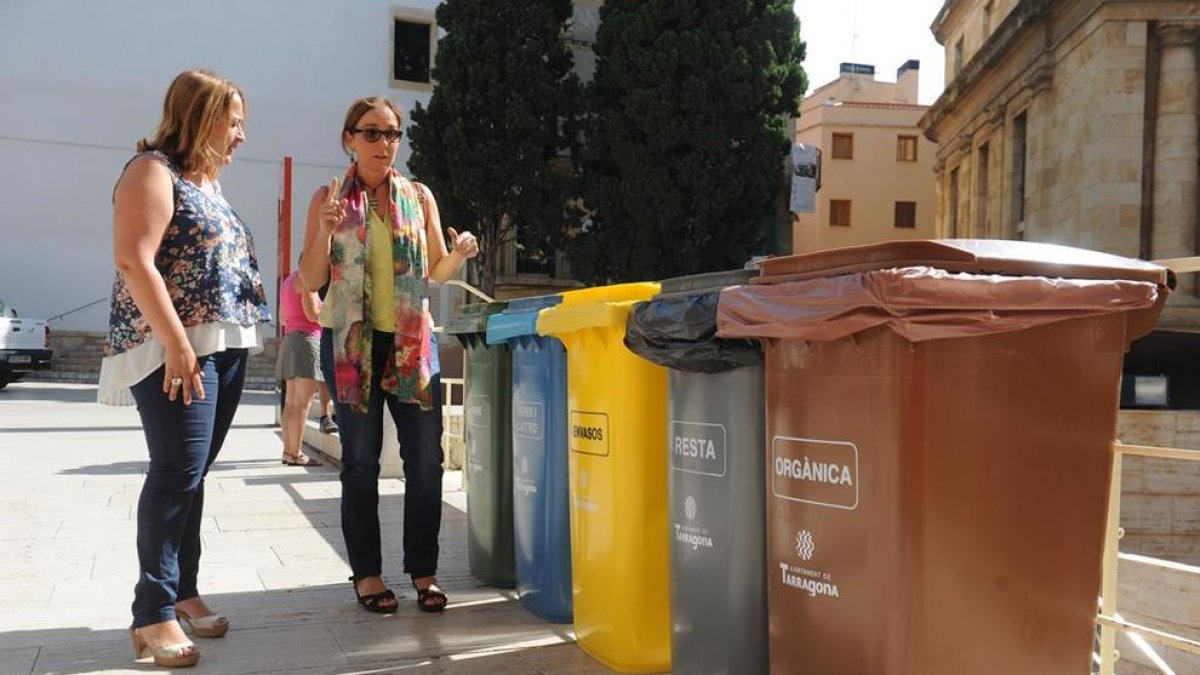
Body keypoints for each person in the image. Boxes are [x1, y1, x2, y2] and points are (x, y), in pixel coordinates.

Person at [97, 69, 270, 667]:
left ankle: (184, 591)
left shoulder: (207, 183)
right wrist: (176, 344)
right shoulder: (152, 172)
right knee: (175, 472)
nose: (242, 135)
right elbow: (133, 259)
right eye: (234, 121)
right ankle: (152, 614)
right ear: (199, 116)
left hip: (221, 346)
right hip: (177, 347)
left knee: (191, 475)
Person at [300, 97, 479, 614]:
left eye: (393, 133)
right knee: (360, 463)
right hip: (353, 344)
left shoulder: (418, 196)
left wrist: (459, 253)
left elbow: (435, 272)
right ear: (348, 139)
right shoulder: (328, 197)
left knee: (426, 461)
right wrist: (324, 231)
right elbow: (310, 278)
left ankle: (424, 573)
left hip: (410, 342)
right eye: (372, 133)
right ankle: (369, 576)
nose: (384, 143)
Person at [276, 260, 333, 466]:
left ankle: (288, 451)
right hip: (307, 341)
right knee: (303, 403)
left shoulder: (288, 281)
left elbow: (282, 318)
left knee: (291, 402)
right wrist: (329, 309)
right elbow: (313, 315)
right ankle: (297, 453)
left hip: (290, 339)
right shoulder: (307, 281)